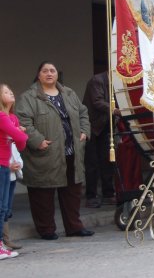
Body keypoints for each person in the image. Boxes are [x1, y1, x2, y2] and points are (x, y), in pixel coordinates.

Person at [15, 61, 94, 239]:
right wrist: (38, 141)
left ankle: (74, 227)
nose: (49, 73)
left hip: (71, 151)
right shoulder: (29, 97)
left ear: (57, 74)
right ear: (39, 75)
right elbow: (23, 122)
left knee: (72, 192)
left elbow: (83, 112)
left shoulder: (68, 93)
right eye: (45, 71)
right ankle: (46, 229)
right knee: (43, 192)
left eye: (52, 71)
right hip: (46, 152)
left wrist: (84, 132)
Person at [82, 72, 118, 208]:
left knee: (107, 160)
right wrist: (115, 110)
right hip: (92, 126)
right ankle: (91, 196)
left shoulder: (117, 82)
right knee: (92, 162)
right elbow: (97, 102)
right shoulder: (97, 80)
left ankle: (108, 194)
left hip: (105, 126)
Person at [0, 83, 27, 259]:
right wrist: (21, 134)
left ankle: (2, 243)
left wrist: (20, 134)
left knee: (5, 207)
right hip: (2, 163)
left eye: (11, 91)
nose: (11, 93)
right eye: (5, 92)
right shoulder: (2, 116)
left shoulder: (12, 117)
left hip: (7, 165)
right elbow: (20, 137)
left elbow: (21, 144)